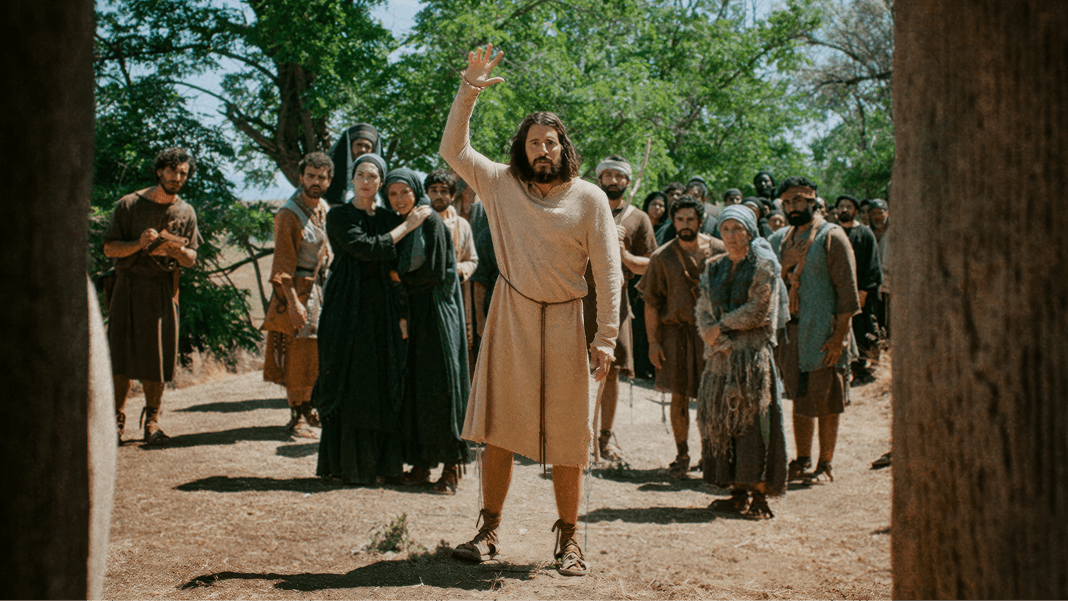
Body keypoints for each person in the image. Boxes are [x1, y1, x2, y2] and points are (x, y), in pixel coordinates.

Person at [439, 44, 622, 576]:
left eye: (551, 141)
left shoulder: (590, 198)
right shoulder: (500, 185)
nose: (543, 150)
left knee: (568, 435)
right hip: (512, 315)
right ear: (521, 149)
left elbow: (607, 274)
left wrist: (605, 338)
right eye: (533, 143)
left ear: (565, 146)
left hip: (568, 321)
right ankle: (488, 530)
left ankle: (569, 541)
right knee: (498, 428)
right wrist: (469, 89)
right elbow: (453, 149)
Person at [313, 152, 431, 484]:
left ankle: (382, 466)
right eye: (361, 175)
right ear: (352, 180)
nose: (367, 182)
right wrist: (407, 226)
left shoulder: (384, 218)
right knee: (349, 379)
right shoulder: (338, 216)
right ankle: (346, 465)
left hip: (380, 309)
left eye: (373, 177)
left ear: (380, 183)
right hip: (346, 306)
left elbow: (398, 258)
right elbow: (366, 248)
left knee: (379, 379)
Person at [697, 205, 790, 519]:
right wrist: (716, 339)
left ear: (750, 231)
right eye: (726, 230)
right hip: (721, 360)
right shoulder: (713, 266)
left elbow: (759, 309)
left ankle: (760, 496)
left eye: (738, 229)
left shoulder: (764, 265)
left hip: (752, 361)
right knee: (722, 424)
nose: (732, 236)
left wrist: (721, 327)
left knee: (755, 426)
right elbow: (704, 307)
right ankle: (736, 491)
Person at [104, 148, 200, 445]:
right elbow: (109, 249)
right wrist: (138, 243)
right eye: (172, 171)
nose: (177, 177)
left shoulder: (185, 211)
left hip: (162, 288)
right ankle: (115, 421)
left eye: (183, 173)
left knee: (157, 358)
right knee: (121, 355)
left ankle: (153, 422)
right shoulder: (129, 204)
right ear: (159, 171)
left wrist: (176, 250)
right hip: (128, 287)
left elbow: (191, 258)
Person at [768, 177, 860, 485]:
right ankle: (803, 458)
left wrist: (840, 336)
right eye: (787, 202)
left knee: (828, 399)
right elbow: (768, 283)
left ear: (813, 200)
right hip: (793, 332)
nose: (793, 207)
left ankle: (825, 464)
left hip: (825, 332)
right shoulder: (780, 239)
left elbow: (847, 293)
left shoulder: (832, 237)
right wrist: (784, 266)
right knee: (799, 396)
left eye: (798, 200)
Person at [386, 167, 472, 494]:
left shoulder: (429, 221)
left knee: (443, 387)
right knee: (419, 389)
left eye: (403, 193)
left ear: (414, 193)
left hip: (438, 312)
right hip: (419, 313)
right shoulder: (407, 222)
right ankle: (422, 464)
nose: (398, 199)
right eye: (392, 194)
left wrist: (397, 278)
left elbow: (435, 271)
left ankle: (450, 469)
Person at [636, 196, 726, 478]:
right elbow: (651, 302)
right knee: (678, 397)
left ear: (700, 221)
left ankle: (712, 453)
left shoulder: (720, 251)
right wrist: (653, 342)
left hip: (712, 335)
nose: (684, 225)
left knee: (712, 397)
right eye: (679, 220)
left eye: (690, 219)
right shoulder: (662, 256)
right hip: (676, 333)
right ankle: (682, 454)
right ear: (673, 222)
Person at [582, 155, 657, 460]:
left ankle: (605, 438)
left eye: (619, 176)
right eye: (607, 175)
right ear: (598, 179)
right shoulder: (584, 209)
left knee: (608, 371)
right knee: (577, 370)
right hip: (581, 298)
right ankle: (578, 436)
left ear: (628, 182)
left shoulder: (639, 218)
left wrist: (623, 253)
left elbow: (649, 266)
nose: (613, 181)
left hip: (616, 302)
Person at [262, 152, 332, 438]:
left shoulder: (323, 207)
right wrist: (292, 303)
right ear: (301, 177)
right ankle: (296, 415)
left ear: (329, 180)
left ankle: (309, 405)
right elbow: (283, 266)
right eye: (311, 176)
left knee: (315, 351)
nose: (316, 182)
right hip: (295, 291)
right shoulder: (289, 214)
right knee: (295, 352)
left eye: (322, 177)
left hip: (319, 289)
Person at [425, 169, 480, 380]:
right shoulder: (420, 220)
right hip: (425, 295)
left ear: (453, 195)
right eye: (434, 191)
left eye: (444, 191)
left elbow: (472, 260)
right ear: (427, 193)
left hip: (454, 295)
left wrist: (461, 269)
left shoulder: (462, 225)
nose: (439, 196)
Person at [836, 194, 883, 384]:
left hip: (861, 295)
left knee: (862, 332)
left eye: (849, 206)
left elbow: (873, 265)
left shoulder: (865, 233)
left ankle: (862, 371)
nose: (844, 209)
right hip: (837, 294)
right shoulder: (832, 232)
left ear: (856, 210)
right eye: (841, 206)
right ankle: (843, 371)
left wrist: (864, 291)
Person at [631, 191, 669, 379]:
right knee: (634, 323)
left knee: (650, 326)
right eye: (654, 204)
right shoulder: (638, 224)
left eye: (661, 205)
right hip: (634, 278)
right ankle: (634, 365)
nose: (658, 208)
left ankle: (648, 366)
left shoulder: (667, 229)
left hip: (656, 280)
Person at [323, 123, 383, 205]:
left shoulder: (383, 183)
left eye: (367, 146)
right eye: (359, 145)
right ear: (350, 147)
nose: (362, 149)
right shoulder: (329, 176)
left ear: (372, 151)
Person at [868, 199, 890, 340]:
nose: (877, 216)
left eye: (880, 213)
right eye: (874, 213)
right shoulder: (866, 232)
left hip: (893, 284)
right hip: (872, 286)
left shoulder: (898, 231)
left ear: (887, 213)